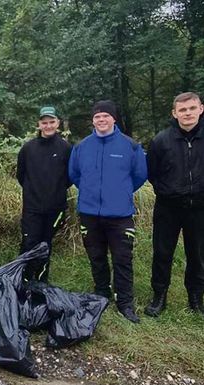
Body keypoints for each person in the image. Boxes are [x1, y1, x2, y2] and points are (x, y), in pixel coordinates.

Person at [69, 100, 147, 323]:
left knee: (123, 259)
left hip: (120, 215)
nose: (101, 120)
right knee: (96, 256)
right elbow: (74, 175)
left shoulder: (130, 146)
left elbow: (139, 175)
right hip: (89, 213)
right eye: (97, 117)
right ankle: (102, 292)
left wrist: (120, 192)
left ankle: (125, 303)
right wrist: (90, 191)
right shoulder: (82, 146)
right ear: (93, 121)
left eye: (106, 116)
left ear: (114, 118)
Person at [145, 92, 204, 316]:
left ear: (200, 109)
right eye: (182, 110)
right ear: (174, 113)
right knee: (162, 252)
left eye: (191, 108)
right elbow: (152, 173)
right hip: (168, 207)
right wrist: (167, 191)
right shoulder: (161, 140)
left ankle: (196, 298)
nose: (187, 113)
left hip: (200, 207)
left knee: (198, 254)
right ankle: (159, 296)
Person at [16, 106, 72, 282]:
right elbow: (21, 175)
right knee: (29, 243)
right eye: (44, 122)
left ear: (58, 124)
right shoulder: (28, 148)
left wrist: (54, 191)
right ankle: (23, 279)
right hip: (32, 207)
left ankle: (41, 280)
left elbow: (70, 177)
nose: (48, 126)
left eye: (51, 122)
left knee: (45, 243)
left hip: (55, 208)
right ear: (39, 124)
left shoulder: (65, 148)